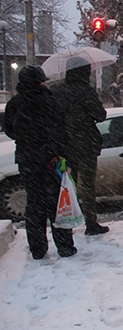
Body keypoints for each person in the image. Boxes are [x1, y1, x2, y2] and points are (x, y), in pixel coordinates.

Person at [3, 65, 77, 259]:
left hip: (28, 160)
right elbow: (62, 132)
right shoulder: (51, 102)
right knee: (56, 204)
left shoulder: (15, 103)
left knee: (34, 204)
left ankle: (37, 248)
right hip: (51, 160)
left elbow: (10, 130)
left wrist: (27, 140)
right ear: (40, 81)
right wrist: (66, 158)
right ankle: (64, 246)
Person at [51, 57, 109, 236]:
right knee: (88, 186)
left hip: (63, 145)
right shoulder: (85, 91)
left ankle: (65, 223)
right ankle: (90, 222)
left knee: (66, 185)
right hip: (86, 144)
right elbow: (100, 115)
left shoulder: (56, 91)